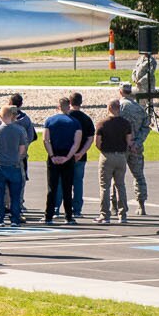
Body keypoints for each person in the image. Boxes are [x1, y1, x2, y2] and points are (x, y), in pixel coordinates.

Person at [0, 98, 34, 229]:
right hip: (14, 165)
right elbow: (22, 149)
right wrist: (17, 158)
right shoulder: (19, 130)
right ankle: (15, 219)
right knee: (15, 195)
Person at [42, 96, 85, 224]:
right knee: (67, 187)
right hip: (68, 156)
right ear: (69, 106)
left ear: (58, 106)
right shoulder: (75, 122)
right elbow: (76, 143)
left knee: (52, 187)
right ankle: (69, 216)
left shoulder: (50, 121)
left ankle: (48, 215)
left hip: (54, 156)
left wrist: (52, 155)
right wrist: (68, 157)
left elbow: (45, 140)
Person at [96, 99, 134, 223]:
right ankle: (122, 215)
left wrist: (104, 150)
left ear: (109, 108)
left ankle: (105, 215)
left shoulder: (102, 123)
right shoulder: (126, 124)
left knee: (105, 187)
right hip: (121, 157)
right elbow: (129, 141)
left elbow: (97, 143)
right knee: (120, 185)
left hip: (107, 156)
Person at [117, 82, 151, 211]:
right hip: (136, 148)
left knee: (118, 178)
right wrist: (137, 142)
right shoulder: (139, 108)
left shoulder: (118, 107)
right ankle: (141, 205)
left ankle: (116, 206)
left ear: (121, 92)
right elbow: (146, 127)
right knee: (139, 176)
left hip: (121, 148)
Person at [67, 92, 97, 220]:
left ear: (70, 102)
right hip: (80, 156)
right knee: (78, 183)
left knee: (62, 183)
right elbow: (90, 138)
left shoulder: (66, 117)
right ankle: (77, 209)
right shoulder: (86, 119)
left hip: (65, 155)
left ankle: (57, 208)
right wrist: (82, 152)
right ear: (81, 102)